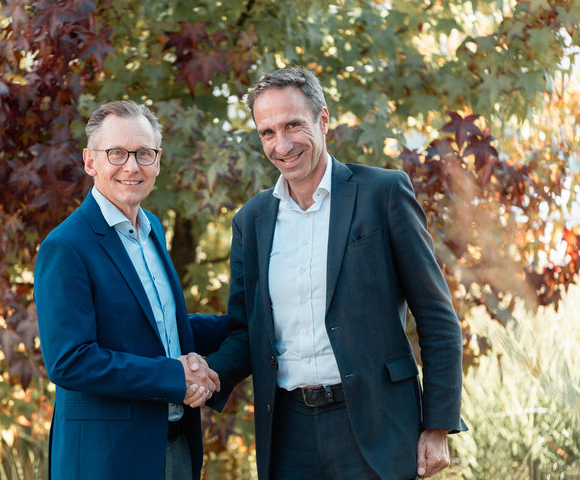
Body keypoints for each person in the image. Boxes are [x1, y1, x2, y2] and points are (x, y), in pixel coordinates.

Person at [204, 67, 467, 480]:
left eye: (293, 125)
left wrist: (437, 426)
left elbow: (436, 316)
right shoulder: (251, 221)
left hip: (376, 427)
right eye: (267, 132)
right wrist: (204, 375)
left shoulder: (383, 193)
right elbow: (246, 331)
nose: (282, 145)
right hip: (288, 435)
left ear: (322, 120)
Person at [34, 100, 228, 480]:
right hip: (106, 460)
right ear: (90, 161)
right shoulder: (66, 246)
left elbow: (158, 326)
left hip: (174, 446)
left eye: (143, 153)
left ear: (158, 161)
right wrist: (175, 376)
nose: (131, 166)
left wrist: (243, 322)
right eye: (117, 153)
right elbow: (70, 360)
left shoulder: (152, 228)